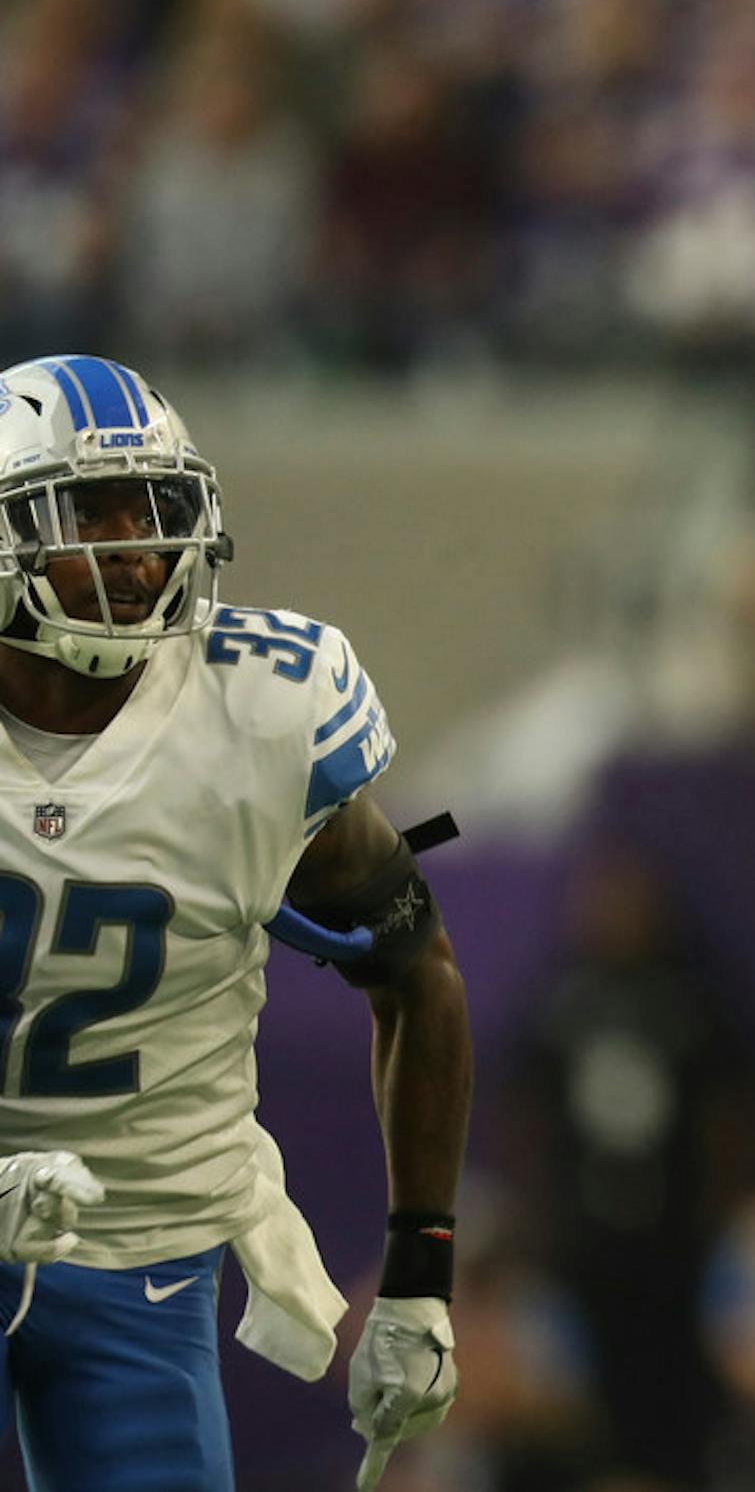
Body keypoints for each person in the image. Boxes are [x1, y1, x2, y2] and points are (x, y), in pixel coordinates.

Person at [0, 354, 472, 1491]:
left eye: (151, 508)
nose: (135, 548)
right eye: (88, 513)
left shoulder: (261, 710)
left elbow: (419, 975)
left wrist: (419, 1277)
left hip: (145, 1250)